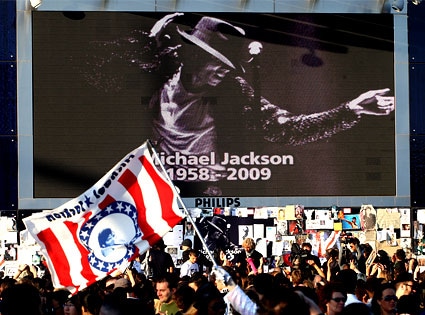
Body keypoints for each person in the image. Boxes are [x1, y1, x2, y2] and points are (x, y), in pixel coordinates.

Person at [141, 13, 395, 196]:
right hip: (158, 186)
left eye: (228, 64)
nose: (223, 70)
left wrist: (351, 109)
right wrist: (149, 40)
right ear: (195, 54)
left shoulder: (232, 91)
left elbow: (284, 128)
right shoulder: (162, 70)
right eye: (216, 60)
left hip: (206, 192)